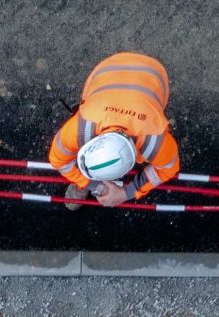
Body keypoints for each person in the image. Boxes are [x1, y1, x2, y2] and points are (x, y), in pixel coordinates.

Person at [46, 51, 182, 207]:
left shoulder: (155, 142)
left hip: (138, 72)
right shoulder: (79, 128)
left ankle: (80, 183)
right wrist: (94, 185)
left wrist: (127, 192)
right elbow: (57, 160)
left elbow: (168, 169)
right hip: (125, 71)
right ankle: (82, 182)